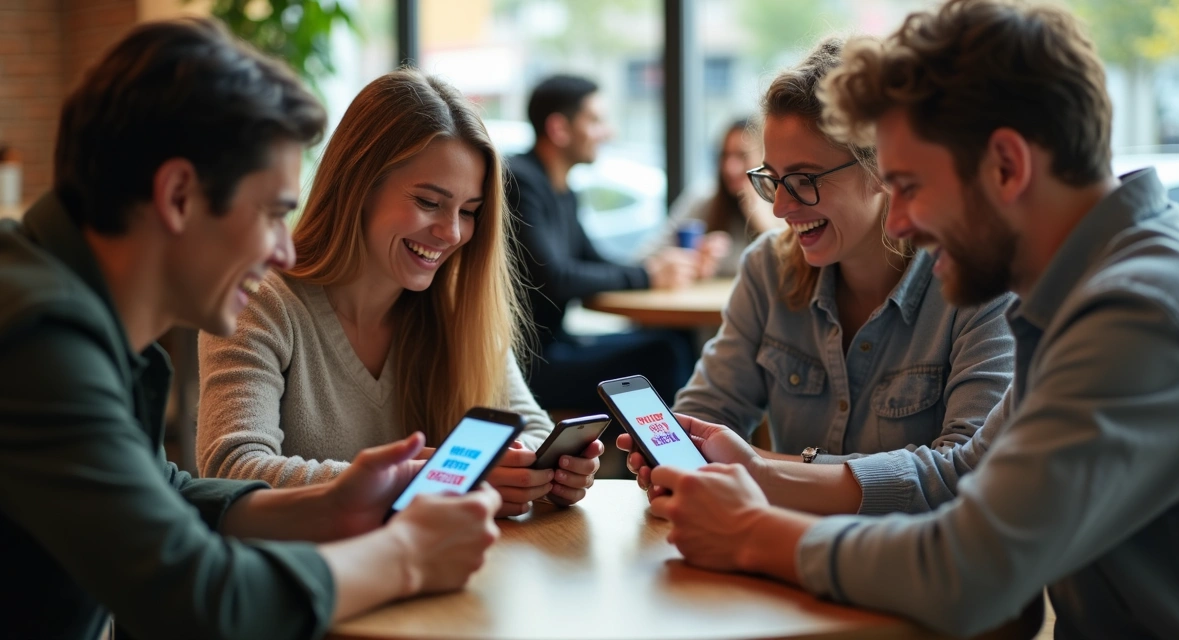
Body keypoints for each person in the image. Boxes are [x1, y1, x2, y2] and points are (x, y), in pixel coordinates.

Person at [622, 1, 1179, 637]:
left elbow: (968, 569)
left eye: (909, 185)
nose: (898, 220)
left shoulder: (1133, 313)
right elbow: (967, 474)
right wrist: (761, 473)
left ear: (1007, 166)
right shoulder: (1101, 285)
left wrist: (749, 530)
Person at [0, 19, 501, 640]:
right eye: (271, 214)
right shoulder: (38, 341)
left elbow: (165, 493)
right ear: (179, 195)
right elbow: (197, 599)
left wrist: (331, 503)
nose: (284, 253)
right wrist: (406, 556)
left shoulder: (70, 314)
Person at [196, 69, 601, 517]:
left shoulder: (457, 305)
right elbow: (230, 472)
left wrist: (538, 471)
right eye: (428, 202)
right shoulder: (261, 301)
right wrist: (425, 479)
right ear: (359, 186)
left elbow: (531, 429)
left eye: (468, 212)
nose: (450, 232)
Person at [672, 38, 1014, 460]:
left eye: (804, 179)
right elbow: (698, 423)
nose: (780, 206)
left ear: (883, 168)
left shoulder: (980, 286)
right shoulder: (767, 269)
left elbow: (966, 474)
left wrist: (760, 468)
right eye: (773, 178)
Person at [506, 74, 702, 411]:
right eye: (596, 120)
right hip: (528, 365)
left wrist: (659, 267)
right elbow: (556, 277)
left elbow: (593, 260)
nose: (608, 132)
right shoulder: (520, 181)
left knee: (677, 337)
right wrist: (647, 277)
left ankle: (668, 453)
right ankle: (664, 458)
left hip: (558, 346)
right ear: (559, 128)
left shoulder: (561, 189)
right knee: (664, 353)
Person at [642, 118, 780, 278]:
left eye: (742, 156)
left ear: (766, 160)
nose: (730, 168)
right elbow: (644, 258)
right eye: (725, 155)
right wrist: (690, 262)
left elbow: (799, 272)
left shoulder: (784, 208)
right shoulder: (703, 201)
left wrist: (765, 225)